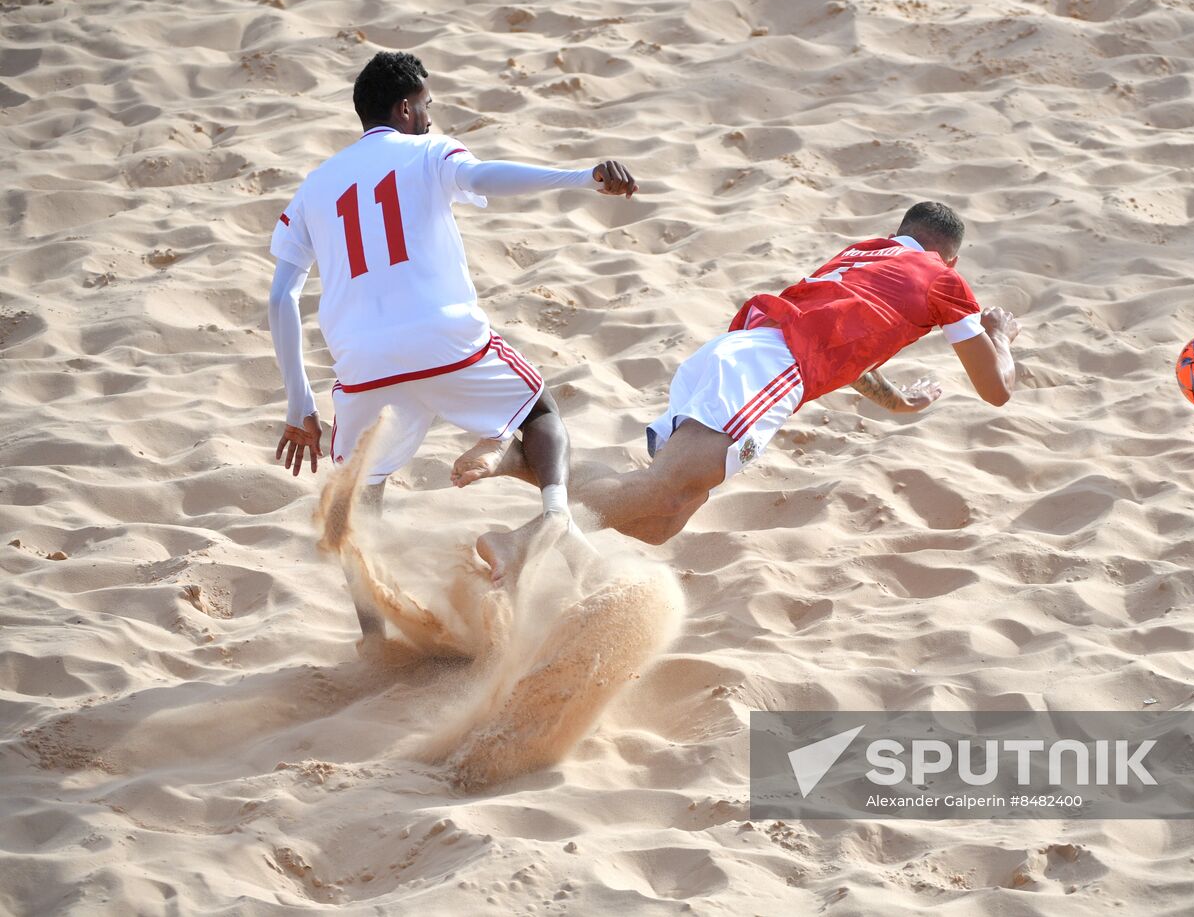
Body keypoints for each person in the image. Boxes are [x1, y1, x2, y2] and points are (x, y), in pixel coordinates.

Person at [267, 51, 636, 639]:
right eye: (428, 107)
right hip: (445, 339)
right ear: (405, 107)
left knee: (357, 497)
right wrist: (577, 177)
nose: (432, 119)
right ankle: (556, 518)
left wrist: (298, 405)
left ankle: (373, 639)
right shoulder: (428, 152)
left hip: (361, 361)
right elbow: (484, 175)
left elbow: (282, 296)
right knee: (541, 413)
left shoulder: (315, 187)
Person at [475, 201, 1020, 569]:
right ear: (951, 256)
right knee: (661, 490)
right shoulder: (942, 279)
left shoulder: (864, 252)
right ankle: (518, 545)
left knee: (665, 518)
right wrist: (1000, 336)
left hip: (735, 356)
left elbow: (839, 346)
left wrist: (897, 402)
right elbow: (995, 389)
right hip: (766, 371)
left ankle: (524, 460)